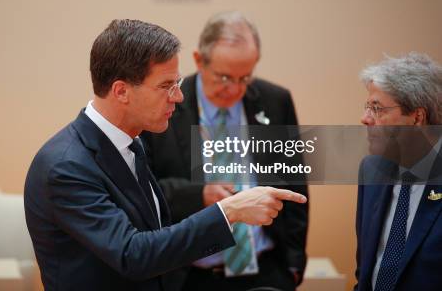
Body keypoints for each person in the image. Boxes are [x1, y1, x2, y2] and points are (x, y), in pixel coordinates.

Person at [24, 19, 307, 290]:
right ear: (121, 91)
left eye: (177, 84)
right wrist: (228, 211)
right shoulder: (65, 166)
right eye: (165, 86)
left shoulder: (132, 143)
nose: (178, 96)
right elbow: (132, 254)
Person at [141, 11, 309, 291]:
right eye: (224, 77)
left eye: (245, 77)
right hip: (190, 276)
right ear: (198, 60)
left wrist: (292, 266)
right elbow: (145, 191)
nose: (234, 89)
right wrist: (199, 194)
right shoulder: (165, 106)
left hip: (265, 269)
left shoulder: (275, 100)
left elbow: (293, 180)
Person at [355, 52, 442, 291]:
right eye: (367, 107)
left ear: (417, 117)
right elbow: (364, 272)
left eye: (377, 109)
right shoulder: (371, 170)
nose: (365, 119)